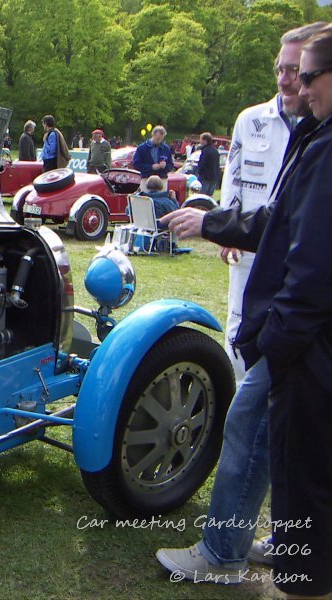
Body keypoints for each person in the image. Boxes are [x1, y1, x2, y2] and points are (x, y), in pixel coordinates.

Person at [156, 22, 329, 594]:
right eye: (285, 72)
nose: (294, 86)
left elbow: (307, 259)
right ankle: (284, 542)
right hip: (292, 321)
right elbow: (272, 217)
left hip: (299, 328)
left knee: (248, 427)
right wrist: (211, 221)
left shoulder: (324, 145)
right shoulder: (303, 130)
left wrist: (276, 342)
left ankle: (223, 552)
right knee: (288, 444)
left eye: (303, 74)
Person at [196, 132, 221, 196]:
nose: (200, 141)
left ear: (205, 140)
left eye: (201, 139)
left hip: (205, 177)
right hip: (214, 177)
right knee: (209, 196)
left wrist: (199, 172)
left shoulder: (205, 151)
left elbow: (202, 163)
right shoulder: (215, 150)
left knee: (202, 196)